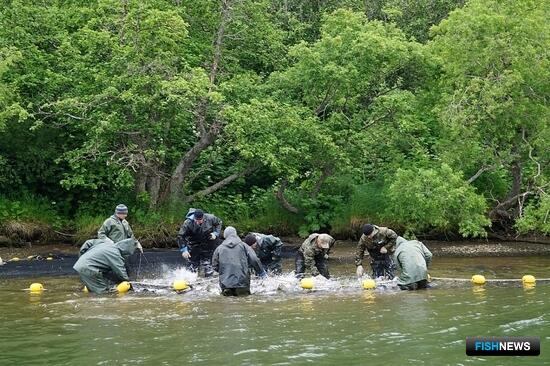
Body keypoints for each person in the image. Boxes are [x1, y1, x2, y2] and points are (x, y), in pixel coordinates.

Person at [212, 226, 266, 296]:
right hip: (242, 283)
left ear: (225, 236)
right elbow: (254, 259)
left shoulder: (219, 249)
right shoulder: (244, 246)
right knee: (244, 303)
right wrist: (261, 272)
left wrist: (224, 272)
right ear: (235, 234)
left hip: (225, 284)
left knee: (227, 304)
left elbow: (215, 266)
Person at [73, 238, 139, 294]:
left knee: (95, 289)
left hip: (79, 265)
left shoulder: (106, 244)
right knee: (104, 294)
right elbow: (120, 271)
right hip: (89, 269)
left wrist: (81, 256)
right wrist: (129, 284)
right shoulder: (115, 254)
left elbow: (88, 243)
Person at [176, 208, 222, 277]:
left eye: (200, 220)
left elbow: (219, 222)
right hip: (193, 243)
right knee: (192, 266)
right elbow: (180, 236)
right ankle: (191, 278)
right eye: (196, 220)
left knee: (207, 264)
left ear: (203, 217)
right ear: (194, 218)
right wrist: (184, 250)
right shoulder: (187, 223)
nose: (198, 222)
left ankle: (208, 276)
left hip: (208, 241)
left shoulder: (210, 218)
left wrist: (215, 233)